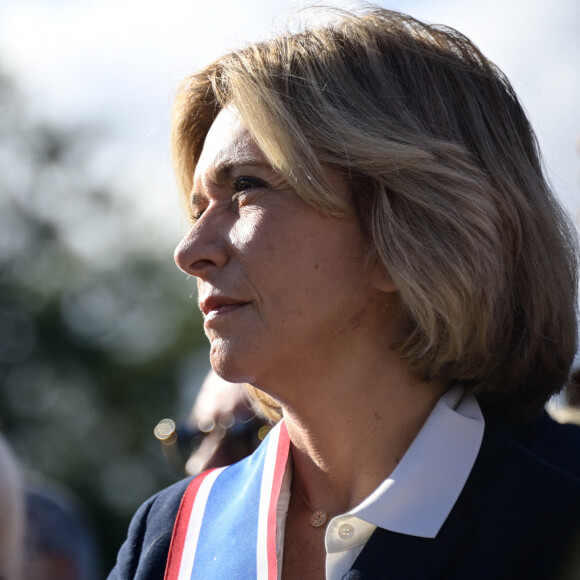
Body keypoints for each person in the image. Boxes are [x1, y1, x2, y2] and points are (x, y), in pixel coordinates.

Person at [108, 7, 580, 579]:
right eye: (196, 207)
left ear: (408, 230)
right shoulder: (170, 538)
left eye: (246, 189)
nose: (189, 252)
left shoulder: (557, 522)